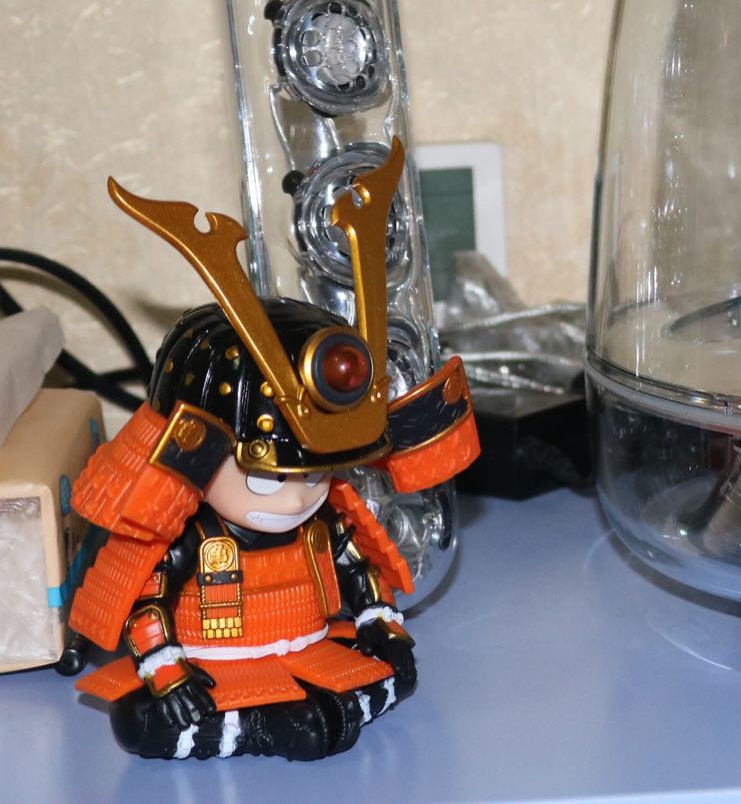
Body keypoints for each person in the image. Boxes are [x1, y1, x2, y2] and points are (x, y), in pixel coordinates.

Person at [67, 141, 477, 759]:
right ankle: (263, 728)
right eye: (267, 478)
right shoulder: (188, 536)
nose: (295, 499)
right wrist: (169, 674)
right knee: (141, 723)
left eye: (316, 476)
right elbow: (147, 605)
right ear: (192, 457)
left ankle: (304, 717)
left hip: (309, 647)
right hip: (215, 667)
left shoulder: (325, 521)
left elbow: (360, 576)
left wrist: (380, 626)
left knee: (393, 675)